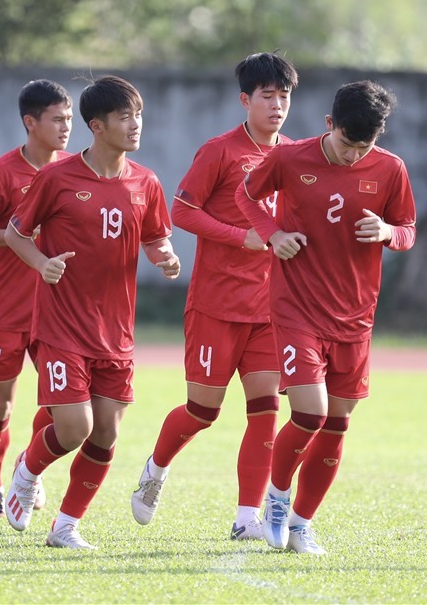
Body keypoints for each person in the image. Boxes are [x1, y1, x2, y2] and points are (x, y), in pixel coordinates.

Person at [235, 80, 416, 555]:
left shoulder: (391, 169)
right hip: (297, 307)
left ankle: (301, 525)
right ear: (329, 124)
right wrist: (273, 234)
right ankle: (276, 498)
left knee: (337, 423)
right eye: (346, 143)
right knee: (310, 413)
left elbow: (408, 230)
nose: (354, 155)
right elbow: (246, 196)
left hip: (355, 315)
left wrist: (388, 231)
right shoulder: (290, 158)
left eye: (364, 146)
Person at [4, 75, 181, 549]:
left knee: (105, 433)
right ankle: (27, 471)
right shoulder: (56, 178)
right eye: (125, 117)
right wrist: (42, 264)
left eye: (138, 115)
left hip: (115, 331)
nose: (135, 124)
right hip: (62, 325)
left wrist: (165, 256)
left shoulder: (146, 181)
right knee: (74, 427)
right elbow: (16, 233)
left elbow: (155, 236)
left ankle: (65, 526)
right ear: (97, 126)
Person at [131, 53, 298, 540]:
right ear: (245, 100)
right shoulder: (220, 151)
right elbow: (182, 212)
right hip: (216, 305)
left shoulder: (295, 156)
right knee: (203, 411)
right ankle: (156, 468)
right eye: (267, 96)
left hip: (269, 309)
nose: (277, 105)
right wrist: (240, 236)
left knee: (266, 410)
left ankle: (247, 518)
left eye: (284, 96)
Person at [0, 79, 73, 518]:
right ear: (30, 122)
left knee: (63, 403)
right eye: (57, 119)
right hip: (4, 309)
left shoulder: (74, 171)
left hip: (57, 311)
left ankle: (29, 469)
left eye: (69, 118)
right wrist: (19, 235)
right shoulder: (1, 173)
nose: (66, 127)